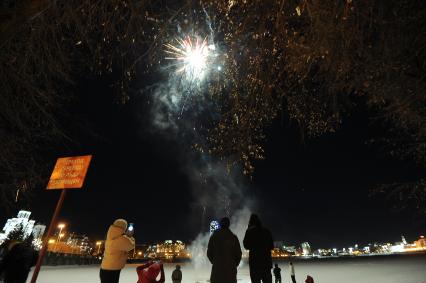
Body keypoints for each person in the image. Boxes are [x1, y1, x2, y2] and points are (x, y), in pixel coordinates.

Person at [207, 217, 242, 283]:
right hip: (230, 272)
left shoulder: (214, 237)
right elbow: (238, 254)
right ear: (229, 224)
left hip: (217, 272)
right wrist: (233, 265)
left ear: (221, 224)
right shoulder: (233, 237)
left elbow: (209, 253)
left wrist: (215, 262)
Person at [100, 219, 135, 283]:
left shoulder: (111, 236)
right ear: (123, 228)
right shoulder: (119, 239)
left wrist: (126, 236)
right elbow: (131, 245)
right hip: (112, 271)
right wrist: (129, 236)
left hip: (106, 268)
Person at [243, 214, 274, 283]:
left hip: (255, 264)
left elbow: (246, 245)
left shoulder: (249, 231)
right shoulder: (266, 231)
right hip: (266, 263)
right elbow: (272, 246)